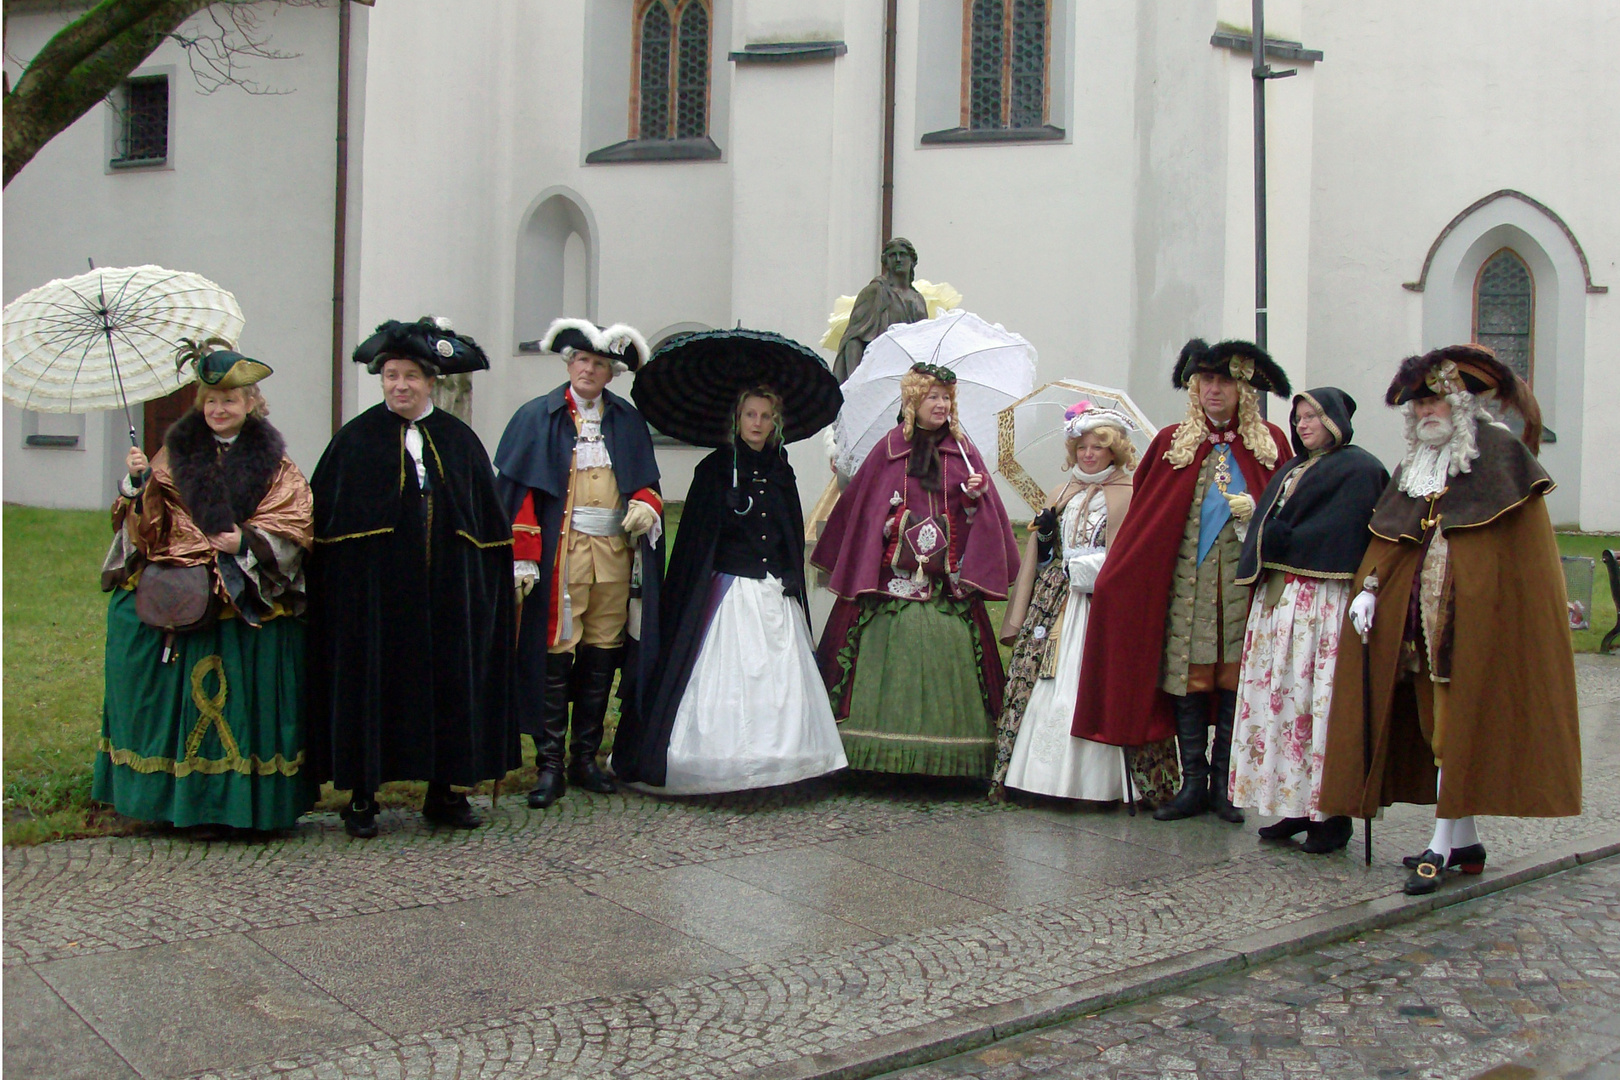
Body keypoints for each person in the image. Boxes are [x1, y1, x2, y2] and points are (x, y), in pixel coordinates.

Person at [1317, 345, 1580, 894]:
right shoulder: (1418, 465)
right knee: (1437, 731)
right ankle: (1465, 842)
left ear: (1463, 401)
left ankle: (1441, 846)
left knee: (1459, 733)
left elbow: (1518, 563)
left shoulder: (1501, 457)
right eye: (1417, 403)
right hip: (1418, 627)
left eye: (1434, 399)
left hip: (1472, 625)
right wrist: (1370, 589)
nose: (1423, 411)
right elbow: (1395, 536)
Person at [305, 317, 519, 838]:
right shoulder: (354, 441)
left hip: (448, 592)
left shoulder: (459, 441)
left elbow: (487, 526)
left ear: (431, 382)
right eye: (391, 376)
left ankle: (445, 791)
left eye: (410, 377)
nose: (400, 385)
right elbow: (328, 527)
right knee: (373, 682)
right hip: (378, 596)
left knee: (449, 682)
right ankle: (361, 794)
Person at [95, 343, 314, 832]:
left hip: (242, 587)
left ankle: (237, 805)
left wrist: (247, 540)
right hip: (177, 580)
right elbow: (139, 524)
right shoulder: (172, 454)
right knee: (131, 618)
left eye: (230, 401)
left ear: (252, 403)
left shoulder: (275, 464)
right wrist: (136, 486)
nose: (219, 409)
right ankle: (166, 802)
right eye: (211, 400)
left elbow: (295, 519)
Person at [1073, 338, 1292, 824]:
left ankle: (1225, 786)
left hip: (1243, 587)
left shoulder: (1270, 443)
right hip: (1185, 587)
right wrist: (1118, 578)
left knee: (1235, 678)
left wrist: (1256, 515)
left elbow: (1289, 514)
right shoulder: (1173, 442)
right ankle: (1193, 784)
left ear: (1244, 388)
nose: (1215, 390)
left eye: (1225, 381)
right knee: (1189, 677)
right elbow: (1146, 524)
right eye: (1206, 381)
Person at [620, 387, 847, 793]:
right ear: (737, 420)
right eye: (749, 415)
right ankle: (718, 761)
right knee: (728, 679)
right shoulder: (715, 469)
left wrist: (788, 574)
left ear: (774, 422)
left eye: (764, 416)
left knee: (778, 680)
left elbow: (788, 530)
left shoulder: (781, 469)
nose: (757, 424)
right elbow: (696, 539)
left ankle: (782, 761)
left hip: (772, 591)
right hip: (728, 591)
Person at [813, 363, 1020, 778]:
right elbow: (866, 512)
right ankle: (867, 755)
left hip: (945, 584)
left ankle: (955, 759)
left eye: (946, 397)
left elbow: (981, 516)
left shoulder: (964, 452)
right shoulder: (888, 449)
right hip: (890, 584)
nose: (941, 404)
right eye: (932, 397)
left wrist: (973, 499)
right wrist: (890, 526)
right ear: (912, 401)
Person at [493, 318, 665, 807]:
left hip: (612, 554)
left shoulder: (627, 421)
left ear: (611, 374)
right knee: (556, 649)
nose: (590, 370)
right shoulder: (536, 417)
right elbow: (520, 493)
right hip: (561, 555)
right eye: (582, 361)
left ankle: (584, 757)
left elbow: (647, 481)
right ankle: (548, 765)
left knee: (602, 649)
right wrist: (524, 557)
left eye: (600, 364)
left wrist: (647, 504)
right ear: (569, 364)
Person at [993, 401, 1178, 804]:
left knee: (1100, 677)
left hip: (1104, 603)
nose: (1088, 454)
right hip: (1058, 597)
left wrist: (1098, 567)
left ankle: (1106, 784)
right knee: (1046, 677)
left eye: (1098, 446)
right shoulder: (1061, 492)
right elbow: (1047, 554)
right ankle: (1038, 778)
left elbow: (1135, 553)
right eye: (1082, 447)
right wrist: (1044, 537)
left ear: (1115, 450)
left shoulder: (1132, 492)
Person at [1228, 388, 1388, 852]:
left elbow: (1348, 531)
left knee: (1315, 704)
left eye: (1312, 416)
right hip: (1282, 604)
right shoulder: (1293, 468)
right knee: (1281, 704)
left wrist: (1288, 539)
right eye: (1297, 418)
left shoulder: (1360, 469)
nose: (1302, 425)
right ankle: (1293, 806)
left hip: (1321, 604)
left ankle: (1330, 816)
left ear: (1336, 417)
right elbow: (1272, 524)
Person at [833, 237, 929, 383]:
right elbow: (854, 339)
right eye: (892, 255)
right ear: (886, 262)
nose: (898, 259)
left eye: (903, 254)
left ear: (912, 261)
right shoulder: (875, 292)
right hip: (878, 373)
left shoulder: (919, 299)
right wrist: (855, 381)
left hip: (909, 378)